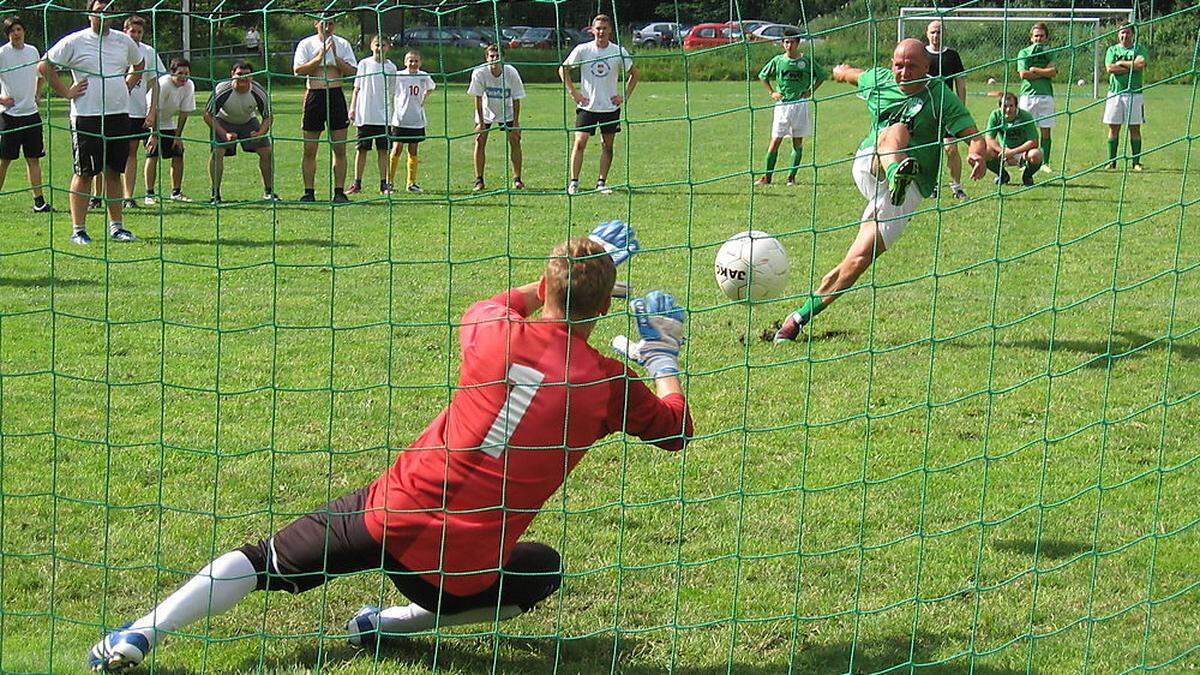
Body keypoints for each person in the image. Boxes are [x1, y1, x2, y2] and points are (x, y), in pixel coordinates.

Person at [87, 222, 695, 673]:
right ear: (605, 305)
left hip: (388, 515)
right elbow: (677, 429)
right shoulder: (609, 384)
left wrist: (573, 266)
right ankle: (385, 623)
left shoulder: (490, 329)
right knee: (541, 571)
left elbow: (520, 299)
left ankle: (140, 633)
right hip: (457, 570)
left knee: (260, 560)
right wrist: (660, 356)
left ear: (547, 283)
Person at [773, 39, 990, 343]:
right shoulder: (880, 80)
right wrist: (839, 71)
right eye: (898, 65)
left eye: (911, 66)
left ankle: (797, 318)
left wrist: (977, 155)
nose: (902, 72)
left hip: (911, 187)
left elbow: (974, 137)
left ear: (927, 68)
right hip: (871, 166)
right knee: (896, 130)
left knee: (858, 260)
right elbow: (851, 74)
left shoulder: (941, 95)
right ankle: (895, 170)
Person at [40, 0, 145, 245]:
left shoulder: (123, 40)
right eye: (99, 10)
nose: (103, 14)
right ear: (89, 13)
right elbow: (44, 65)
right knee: (85, 172)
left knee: (113, 171)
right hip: (86, 117)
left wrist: (128, 84)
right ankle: (78, 230)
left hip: (119, 115)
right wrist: (66, 92)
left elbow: (139, 64)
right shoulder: (75, 41)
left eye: (108, 10)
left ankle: (117, 227)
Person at [559, 14, 638, 195]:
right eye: (598, 28)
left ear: (610, 30)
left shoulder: (618, 51)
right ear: (592, 30)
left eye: (604, 28)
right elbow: (563, 69)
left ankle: (601, 183)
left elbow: (635, 74)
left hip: (610, 108)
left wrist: (623, 96)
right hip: (587, 107)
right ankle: (574, 182)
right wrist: (574, 93)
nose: (601, 32)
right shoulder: (583, 50)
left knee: (607, 146)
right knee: (579, 142)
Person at [292, 14, 357, 202]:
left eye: (330, 23)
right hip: (315, 96)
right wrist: (319, 57)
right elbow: (298, 70)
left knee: (340, 148)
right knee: (310, 149)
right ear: (316, 24)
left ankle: (339, 192)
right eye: (323, 23)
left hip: (336, 96)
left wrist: (335, 57)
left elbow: (353, 71)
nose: (326, 27)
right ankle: (309, 192)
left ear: (334, 25)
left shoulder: (342, 44)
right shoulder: (306, 44)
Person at [754, 29, 826, 187]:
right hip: (783, 105)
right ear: (782, 44)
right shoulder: (778, 60)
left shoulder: (806, 61)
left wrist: (810, 90)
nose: (789, 45)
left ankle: (791, 177)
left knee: (797, 142)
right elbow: (762, 75)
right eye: (786, 42)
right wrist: (772, 92)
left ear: (798, 43)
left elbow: (822, 75)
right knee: (775, 141)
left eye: (792, 42)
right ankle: (767, 177)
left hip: (800, 105)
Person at [203, 60, 276, 204]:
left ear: (253, 76)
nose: (243, 78)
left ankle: (269, 192)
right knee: (217, 152)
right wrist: (224, 134)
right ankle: (215, 194)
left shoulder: (258, 91)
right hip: (223, 121)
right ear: (232, 75)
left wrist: (260, 133)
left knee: (266, 151)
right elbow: (207, 115)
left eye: (247, 75)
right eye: (239, 74)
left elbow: (268, 117)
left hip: (248, 121)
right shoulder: (222, 89)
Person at [0, 15, 51, 212]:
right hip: (9, 116)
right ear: (7, 34)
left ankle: (39, 202)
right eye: (12, 30)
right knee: (4, 160)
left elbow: (41, 74)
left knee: (33, 159)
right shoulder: (2, 53)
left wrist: (38, 93)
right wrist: (2, 99)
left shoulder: (32, 51)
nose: (16, 33)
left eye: (19, 29)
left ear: (24, 31)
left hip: (31, 114)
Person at [118, 15, 164, 209]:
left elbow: (155, 84)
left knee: (131, 152)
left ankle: (128, 196)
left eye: (139, 32)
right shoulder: (115, 48)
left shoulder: (149, 52)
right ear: (125, 31)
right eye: (132, 31)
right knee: (108, 153)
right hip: (115, 109)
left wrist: (152, 111)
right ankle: (98, 195)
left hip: (136, 111)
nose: (135, 35)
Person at [468, 43, 526, 191]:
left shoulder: (511, 72)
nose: (495, 59)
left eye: (498, 56)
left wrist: (516, 123)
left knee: (515, 140)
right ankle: (479, 180)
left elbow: (516, 98)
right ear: (486, 58)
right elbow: (478, 98)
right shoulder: (479, 73)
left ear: (503, 58)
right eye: (491, 56)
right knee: (480, 141)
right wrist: (480, 123)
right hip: (486, 111)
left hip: (507, 110)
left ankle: (517, 179)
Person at [923, 19, 969, 199]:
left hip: (947, 112)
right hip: (926, 111)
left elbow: (961, 84)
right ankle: (931, 186)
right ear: (927, 33)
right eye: (933, 32)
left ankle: (956, 187)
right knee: (930, 151)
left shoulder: (952, 55)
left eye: (939, 32)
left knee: (951, 149)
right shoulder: (921, 55)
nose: (936, 36)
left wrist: (960, 109)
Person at [347, 34, 396, 195]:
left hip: (383, 117)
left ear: (388, 47)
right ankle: (356, 183)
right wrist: (353, 108)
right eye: (377, 44)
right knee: (361, 150)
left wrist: (393, 113)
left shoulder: (391, 67)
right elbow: (357, 88)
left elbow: (393, 92)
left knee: (383, 151)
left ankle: (384, 184)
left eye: (383, 45)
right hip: (365, 114)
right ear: (371, 46)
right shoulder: (364, 64)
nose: (379, 48)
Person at [144, 57, 194, 204]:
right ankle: (149, 194)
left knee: (178, 153)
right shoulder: (163, 84)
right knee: (152, 154)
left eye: (187, 73)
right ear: (172, 73)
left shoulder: (189, 85)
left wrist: (178, 136)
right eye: (180, 73)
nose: (183, 77)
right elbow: (154, 109)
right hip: (150, 119)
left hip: (167, 121)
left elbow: (184, 112)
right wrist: (154, 134)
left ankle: (176, 192)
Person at [387, 49, 435, 194]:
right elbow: (391, 90)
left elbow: (431, 87)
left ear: (420, 62)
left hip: (416, 119)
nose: (413, 63)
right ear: (405, 62)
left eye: (416, 61)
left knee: (413, 149)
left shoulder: (424, 76)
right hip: (400, 119)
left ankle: (411, 183)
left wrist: (423, 98)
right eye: (410, 60)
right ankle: (389, 182)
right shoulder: (399, 75)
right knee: (396, 149)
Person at [1103, 23, 1148, 171]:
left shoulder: (1139, 49)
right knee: (1113, 128)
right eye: (1122, 33)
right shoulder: (1112, 50)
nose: (1124, 35)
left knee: (1134, 128)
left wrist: (1121, 63)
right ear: (1118, 34)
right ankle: (1112, 161)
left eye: (1127, 33)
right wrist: (1132, 67)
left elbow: (1141, 64)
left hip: (1134, 94)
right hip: (1115, 94)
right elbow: (1110, 68)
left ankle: (1136, 162)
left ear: (1132, 34)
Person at [1016, 22, 1056, 174]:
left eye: (1042, 36)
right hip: (1028, 96)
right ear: (1031, 38)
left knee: (1046, 131)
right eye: (1036, 36)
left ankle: (1045, 162)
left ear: (1046, 37)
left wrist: (1035, 70)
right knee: (1025, 131)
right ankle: (1023, 160)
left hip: (1046, 95)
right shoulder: (1024, 53)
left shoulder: (1050, 52)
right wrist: (1043, 72)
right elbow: (1023, 74)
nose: (1039, 38)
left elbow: (1052, 71)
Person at [984, 92, 1043, 185]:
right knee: (984, 152)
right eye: (1004, 106)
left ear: (1016, 106)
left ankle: (1027, 176)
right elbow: (989, 138)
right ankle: (1003, 176)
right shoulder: (995, 115)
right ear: (1000, 107)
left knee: (1036, 154)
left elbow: (1034, 142)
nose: (1008, 109)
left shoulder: (1025, 116)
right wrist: (1003, 151)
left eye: (1011, 106)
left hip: (1023, 152)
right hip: (1003, 152)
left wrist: (1013, 152)